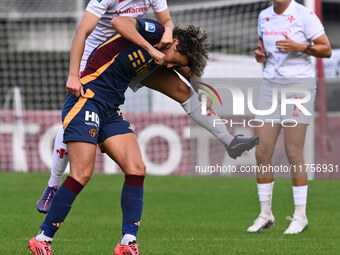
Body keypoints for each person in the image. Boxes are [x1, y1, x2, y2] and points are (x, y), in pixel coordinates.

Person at [36, 0, 260, 214]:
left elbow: (171, 34)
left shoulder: (162, 34)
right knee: (75, 121)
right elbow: (89, 30)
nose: (172, 65)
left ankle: (229, 141)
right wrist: (73, 75)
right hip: (96, 56)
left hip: (132, 54)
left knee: (184, 90)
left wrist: (201, 88)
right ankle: (52, 186)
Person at [28, 18, 211, 255]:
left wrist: (203, 92)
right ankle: (42, 238)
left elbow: (189, 74)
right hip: (86, 100)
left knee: (136, 168)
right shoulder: (154, 33)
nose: (169, 66)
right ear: (174, 42)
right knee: (82, 173)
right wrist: (151, 49)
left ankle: (127, 242)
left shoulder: (166, 57)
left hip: (110, 109)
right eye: (174, 60)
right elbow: (119, 21)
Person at [246, 0, 331, 234]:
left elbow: (326, 48)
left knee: (294, 152)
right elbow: (263, 47)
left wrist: (299, 46)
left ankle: (300, 216)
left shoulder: (304, 15)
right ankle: (265, 214)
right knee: (262, 152)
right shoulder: (264, 16)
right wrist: (260, 54)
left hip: (298, 87)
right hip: (269, 86)